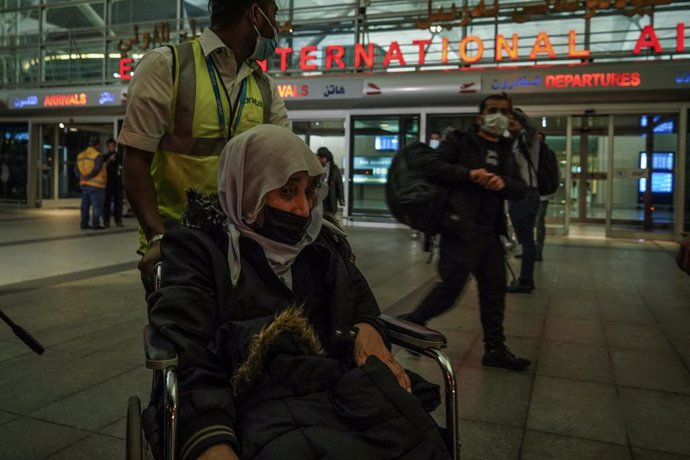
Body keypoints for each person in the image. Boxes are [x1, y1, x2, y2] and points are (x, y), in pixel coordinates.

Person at [145, 125, 450, 460]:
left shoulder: (323, 246)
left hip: (336, 391)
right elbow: (188, 356)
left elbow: (360, 305)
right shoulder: (202, 251)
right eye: (288, 192)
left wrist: (368, 328)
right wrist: (210, 439)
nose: (304, 209)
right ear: (248, 190)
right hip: (249, 404)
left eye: (309, 192)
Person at [118, 0, 289, 290]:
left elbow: (284, 163)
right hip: (179, 243)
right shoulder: (167, 65)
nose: (278, 25)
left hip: (245, 244)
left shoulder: (264, 86)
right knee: (184, 332)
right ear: (256, 15)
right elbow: (135, 162)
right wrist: (157, 237)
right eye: (274, 14)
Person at [399, 94, 531, 371]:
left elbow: (521, 187)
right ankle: (414, 320)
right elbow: (433, 167)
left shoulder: (507, 148)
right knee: (450, 288)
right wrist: (469, 175)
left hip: (490, 232)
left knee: (495, 291)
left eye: (503, 112)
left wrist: (502, 182)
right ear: (480, 116)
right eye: (493, 110)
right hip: (459, 229)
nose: (498, 116)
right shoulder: (459, 140)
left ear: (510, 117)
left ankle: (495, 348)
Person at [506, 108, 541, 293]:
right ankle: (526, 280)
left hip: (526, 195)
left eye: (514, 120)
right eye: (508, 119)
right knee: (524, 239)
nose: (511, 121)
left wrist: (513, 111)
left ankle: (526, 281)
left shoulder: (528, 140)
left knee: (526, 240)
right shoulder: (511, 143)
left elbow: (532, 127)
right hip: (516, 195)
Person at [75, 137, 106, 230]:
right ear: (97, 145)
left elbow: (75, 169)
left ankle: (84, 223)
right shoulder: (96, 155)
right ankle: (95, 224)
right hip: (96, 185)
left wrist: (81, 176)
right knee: (97, 205)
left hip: (84, 184)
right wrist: (89, 176)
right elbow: (97, 168)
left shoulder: (81, 155)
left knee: (85, 206)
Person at [534, 131, 553, 262]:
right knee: (528, 224)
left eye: (540, 138)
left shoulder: (548, 154)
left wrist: (550, 190)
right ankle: (529, 250)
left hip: (542, 194)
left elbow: (555, 173)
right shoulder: (529, 152)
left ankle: (538, 251)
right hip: (529, 193)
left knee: (538, 222)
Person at [315, 147, 345, 218]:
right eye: (320, 157)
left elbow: (339, 184)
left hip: (331, 196)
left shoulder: (334, 169)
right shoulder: (317, 167)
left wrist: (341, 198)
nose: (322, 160)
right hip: (320, 196)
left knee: (330, 216)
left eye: (323, 158)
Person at [102, 138, 124, 227]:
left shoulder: (120, 156)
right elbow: (102, 167)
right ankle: (106, 221)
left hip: (117, 183)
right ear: (107, 147)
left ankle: (118, 220)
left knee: (118, 203)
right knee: (106, 203)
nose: (111, 147)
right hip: (107, 183)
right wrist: (109, 160)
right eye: (110, 146)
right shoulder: (105, 157)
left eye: (113, 146)